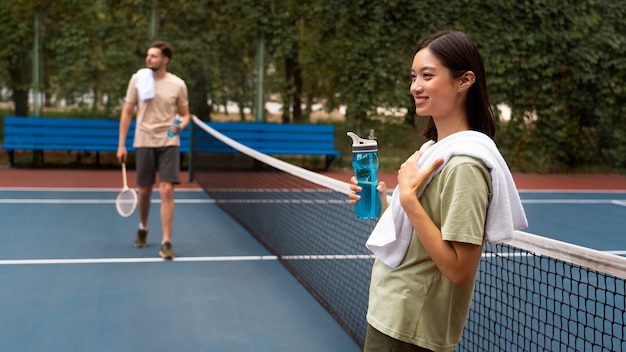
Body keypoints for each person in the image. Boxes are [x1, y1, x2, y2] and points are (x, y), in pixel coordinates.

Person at [349, 30, 526, 351]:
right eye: (414, 76)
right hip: (392, 310)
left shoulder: (465, 165)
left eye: (427, 76)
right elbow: (415, 233)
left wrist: (409, 200)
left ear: (464, 80)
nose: (415, 86)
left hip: (410, 324)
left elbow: (459, 270)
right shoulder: (432, 148)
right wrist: (384, 202)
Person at [117, 41, 190, 260]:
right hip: (144, 139)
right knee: (145, 191)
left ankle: (166, 241)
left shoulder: (178, 85)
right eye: (148, 55)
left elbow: (186, 114)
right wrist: (121, 143)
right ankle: (143, 226)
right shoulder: (138, 80)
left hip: (168, 141)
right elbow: (128, 110)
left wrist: (181, 125)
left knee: (167, 190)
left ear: (165, 60)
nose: (149, 59)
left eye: (154, 56)